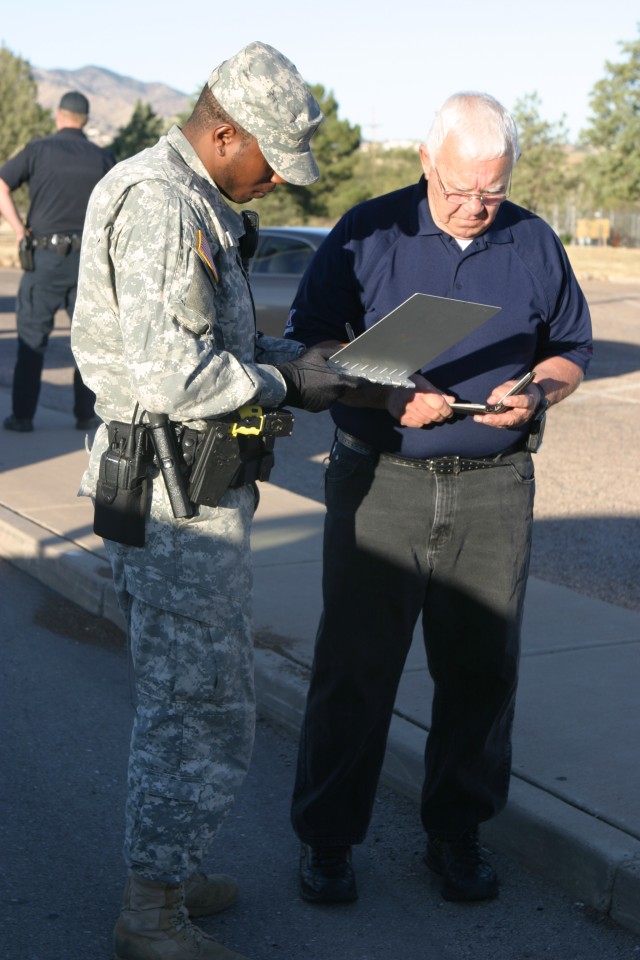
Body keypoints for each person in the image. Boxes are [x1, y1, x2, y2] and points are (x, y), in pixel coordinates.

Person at [71, 41, 361, 960]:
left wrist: (293, 365)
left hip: (188, 490)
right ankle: (153, 908)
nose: (276, 180)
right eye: (270, 159)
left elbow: (210, 344)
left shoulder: (197, 196)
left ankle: (173, 860)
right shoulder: (161, 200)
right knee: (194, 706)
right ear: (224, 131)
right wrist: (288, 391)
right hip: (170, 500)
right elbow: (172, 373)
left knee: (199, 695)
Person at [287, 92, 593, 906]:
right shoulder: (367, 231)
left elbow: (569, 350)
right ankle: (328, 840)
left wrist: (535, 391)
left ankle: (456, 833)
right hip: (380, 481)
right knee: (355, 671)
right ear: (427, 161)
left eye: (492, 191)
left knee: (480, 672)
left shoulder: (531, 239)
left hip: (494, 491)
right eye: (461, 189)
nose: (475, 207)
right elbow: (310, 352)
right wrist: (386, 393)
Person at [0, 90, 115, 432]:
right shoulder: (103, 157)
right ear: (86, 120)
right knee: (87, 341)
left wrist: (20, 229)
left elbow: (1, 185)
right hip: (88, 262)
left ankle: (22, 417)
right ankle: (85, 415)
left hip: (45, 259)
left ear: (59, 115)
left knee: (32, 339)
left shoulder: (38, 150)